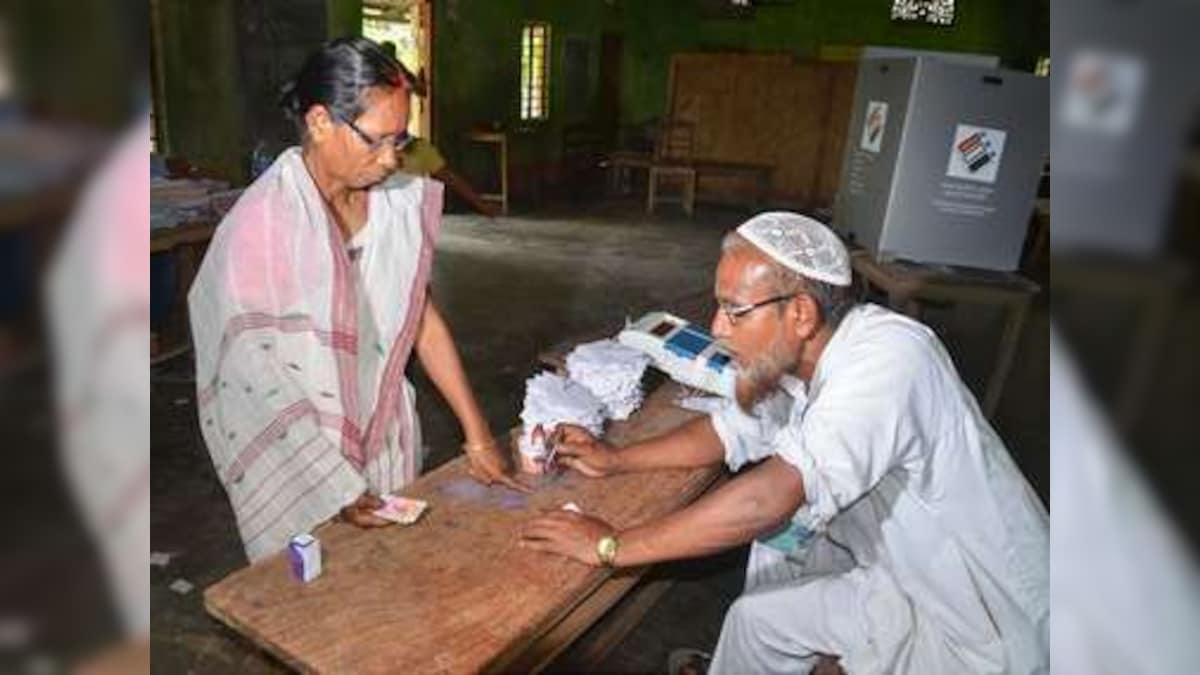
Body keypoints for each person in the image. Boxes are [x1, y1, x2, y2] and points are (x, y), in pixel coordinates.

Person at [520, 212, 1049, 674]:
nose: (717, 327)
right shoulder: (797, 359)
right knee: (757, 614)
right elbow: (727, 429)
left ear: (800, 312)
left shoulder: (891, 357)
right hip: (902, 576)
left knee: (776, 530)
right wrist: (615, 459)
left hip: (985, 624)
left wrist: (611, 546)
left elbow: (766, 496)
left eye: (734, 310)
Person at [189, 37, 525, 562]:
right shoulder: (263, 226)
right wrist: (336, 488)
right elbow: (253, 384)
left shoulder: (391, 204)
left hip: (384, 423)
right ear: (320, 122)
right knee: (313, 591)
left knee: (387, 577)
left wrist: (476, 432)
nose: (393, 159)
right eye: (376, 140)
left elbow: (421, 319)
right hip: (300, 451)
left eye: (402, 140)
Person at [379, 40, 501, 217]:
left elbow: (420, 91)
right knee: (441, 174)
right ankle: (483, 206)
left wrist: (416, 81)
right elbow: (421, 91)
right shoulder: (385, 76)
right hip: (392, 142)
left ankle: (483, 206)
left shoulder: (397, 73)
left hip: (402, 141)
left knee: (442, 173)